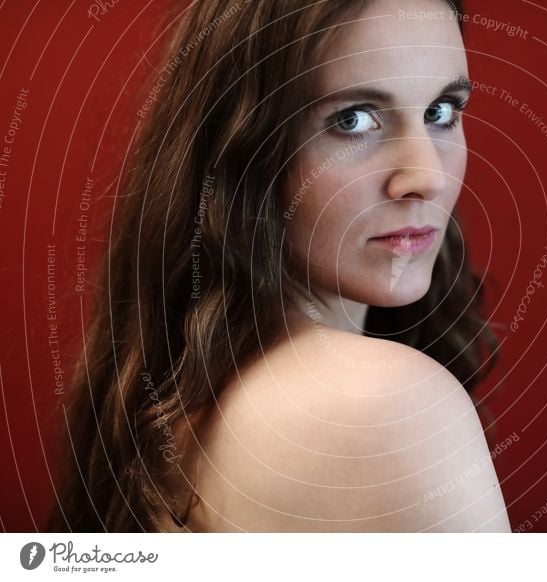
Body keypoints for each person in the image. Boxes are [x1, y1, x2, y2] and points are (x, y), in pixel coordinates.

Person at [49, 0, 510, 532]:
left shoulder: (178, 397)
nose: (425, 176)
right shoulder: (383, 407)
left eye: (441, 112)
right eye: (352, 120)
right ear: (236, 145)